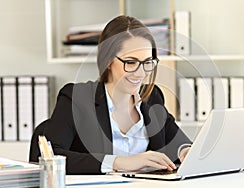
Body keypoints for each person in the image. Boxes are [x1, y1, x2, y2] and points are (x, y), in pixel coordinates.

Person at [43, 15, 191, 175]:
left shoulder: (152, 97)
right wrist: (119, 162)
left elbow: (179, 142)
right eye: (131, 62)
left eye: (147, 62)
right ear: (108, 61)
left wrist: (186, 151)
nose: (140, 73)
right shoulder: (76, 98)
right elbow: (48, 156)